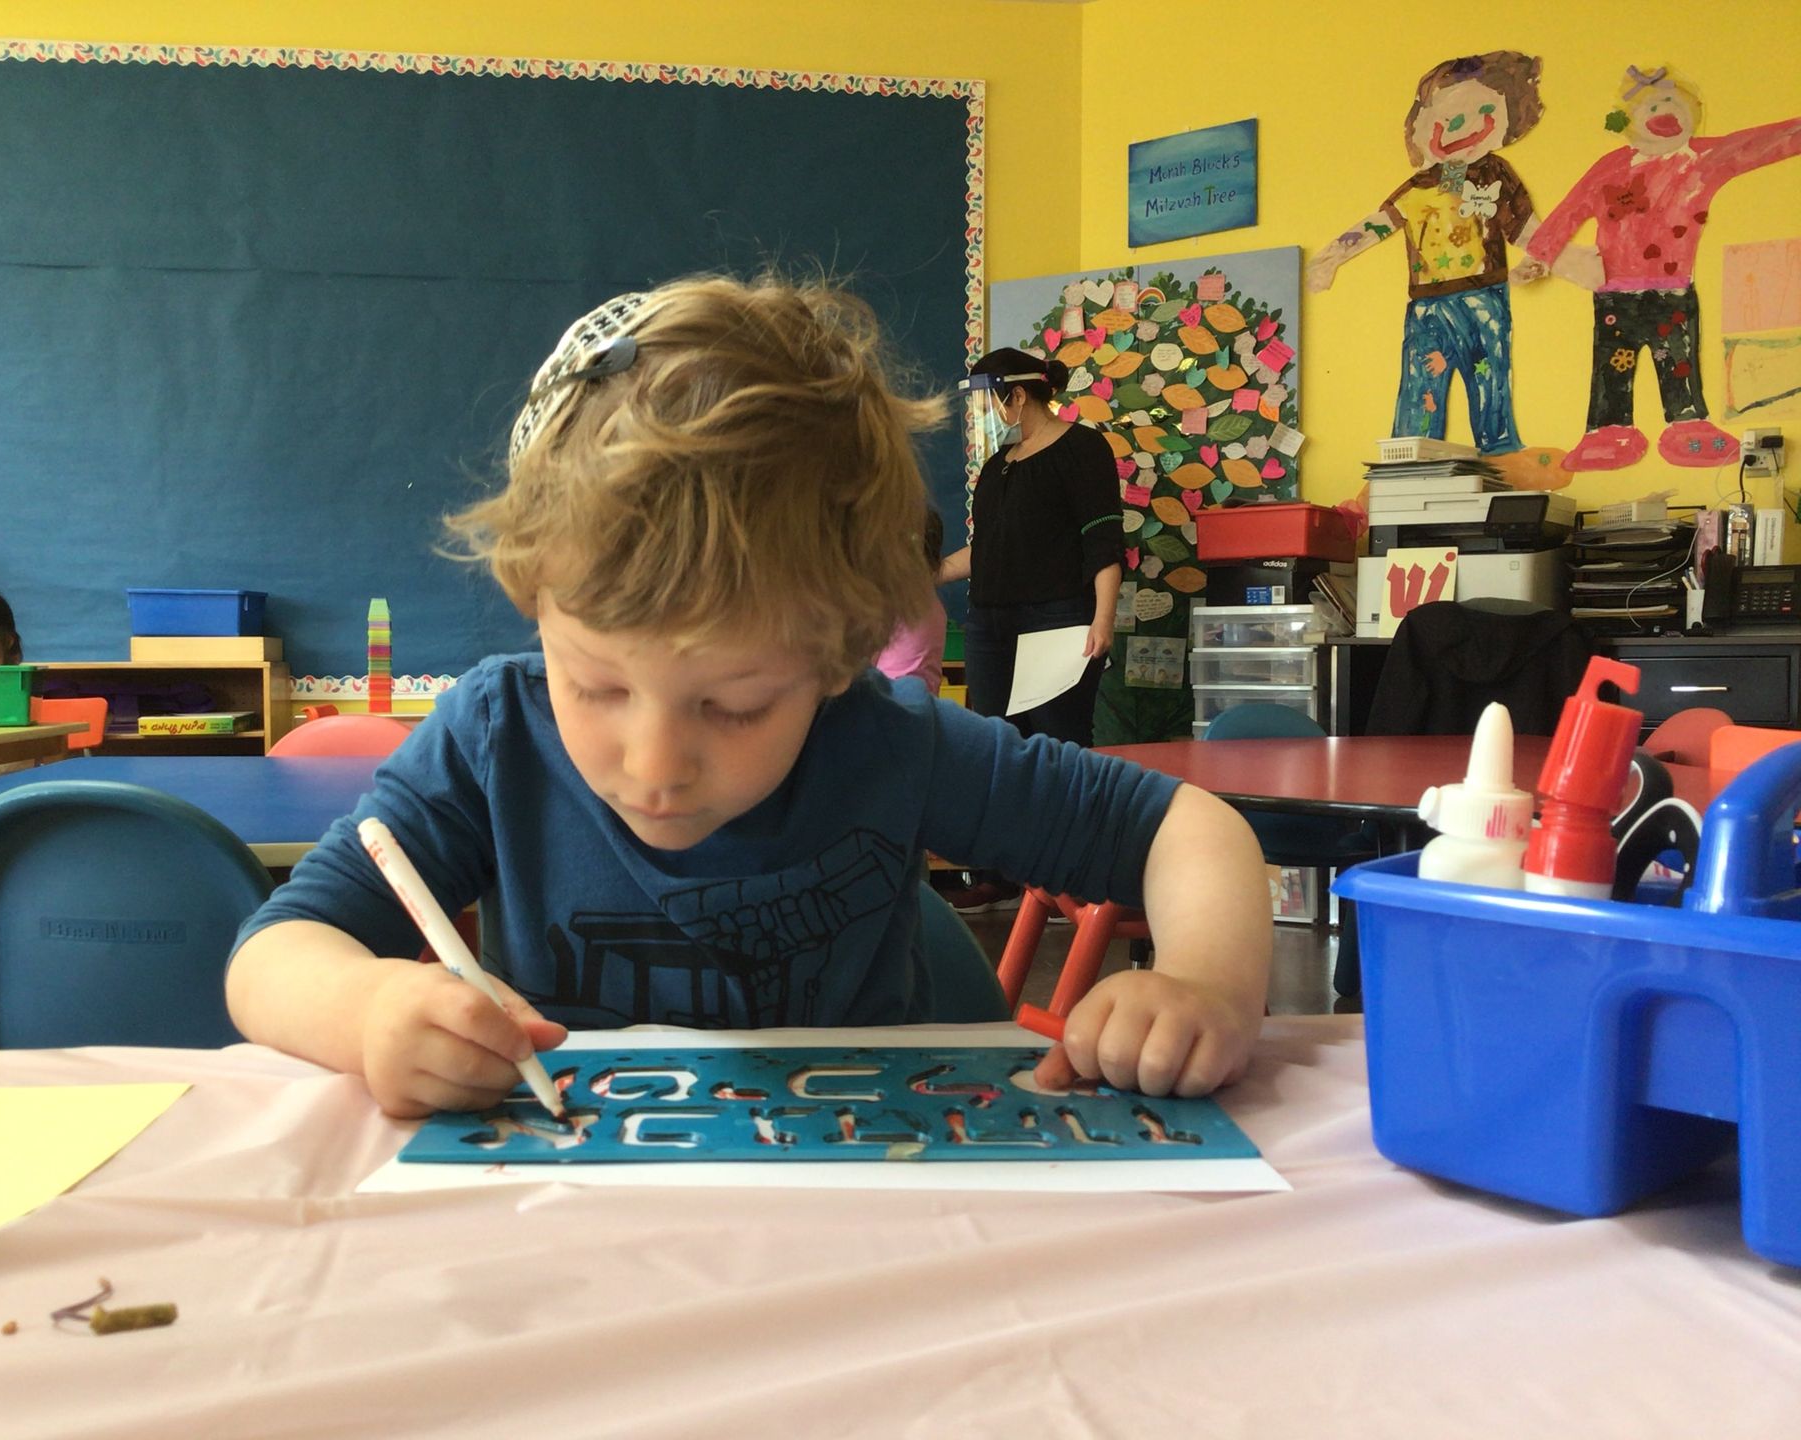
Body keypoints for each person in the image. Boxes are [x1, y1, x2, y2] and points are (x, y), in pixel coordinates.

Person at [225, 274, 1270, 1120]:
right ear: (534, 601)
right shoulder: (491, 740)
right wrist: (369, 1011)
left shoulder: (886, 741)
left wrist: (1205, 988)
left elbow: (1190, 828)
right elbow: (271, 956)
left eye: (732, 706)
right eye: (594, 684)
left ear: (837, 657)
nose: (653, 763)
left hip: (867, 1209)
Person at [1305, 51, 1580, 491]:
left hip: (1484, 297)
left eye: (1483, 113)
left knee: (1488, 372)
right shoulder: (1419, 185)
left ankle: (1499, 450)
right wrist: (1331, 257)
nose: (1460, 127)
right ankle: (1407, 458)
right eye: (1444, 117)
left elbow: (1526, 227)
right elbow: (1380, 223)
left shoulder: (1495, 173)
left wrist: (1555, 259)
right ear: (1418, 126)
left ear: (1509, 120)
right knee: (1419, 381)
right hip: (1427, 305)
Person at [1520, 66, 1801, 472]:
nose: (1665, 112)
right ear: (1627, 122)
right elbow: (1570, 210)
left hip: (1673, 292)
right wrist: (1540, 256)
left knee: (1680, 367)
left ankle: (1688, 425)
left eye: (1676, 104)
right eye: (1652, 105)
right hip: (1615, 295)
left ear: (1695, 113)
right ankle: (1607, 430)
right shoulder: (1610, 167)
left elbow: (1757, 144)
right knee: (1611, 369)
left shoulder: (1704, 159)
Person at [932, 347, 1122, 913]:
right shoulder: (999, 465)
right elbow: (988, 550)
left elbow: (1103, 541)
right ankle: (1000, 874)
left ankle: (1071, 874)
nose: (987, 412)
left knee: (1058, 746)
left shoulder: (1083, 448)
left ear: (1016, 394)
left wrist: (1103, 619)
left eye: (989, 398)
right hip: (991, 621)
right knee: (996, 746)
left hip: (1059, 622)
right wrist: (927, 573)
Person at [873, 507, 947, 696]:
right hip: (923, 706)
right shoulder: (931, 603)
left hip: (889, 705)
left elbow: (863, 667)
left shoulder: (890, 602)